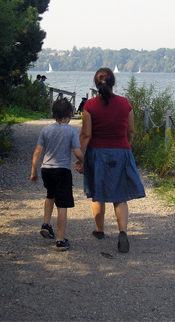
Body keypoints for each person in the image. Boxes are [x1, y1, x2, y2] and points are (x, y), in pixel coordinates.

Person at [75, 67, 145, 253]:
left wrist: (80, 157)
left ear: (96, 84)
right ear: (113, 82)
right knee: (120, 195)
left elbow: (85, 134)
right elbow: (130, 131)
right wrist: (125, 146)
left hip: (97, 153)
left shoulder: (89, 106)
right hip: (121, 152)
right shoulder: (125, 103)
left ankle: (100, 230)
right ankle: (122, 232)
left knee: (98, 192)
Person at [30, 98, 84, 251]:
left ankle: (46, 223)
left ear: (53, 114)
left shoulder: (45, 130)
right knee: (62, 204)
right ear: (70, 114)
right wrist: (84, 162)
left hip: (46, 169)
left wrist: (33, 172)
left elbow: (37, 151)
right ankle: (60, 240)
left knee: (50, 195)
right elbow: (77, 152)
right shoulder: (72, 130)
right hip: (62, 170)